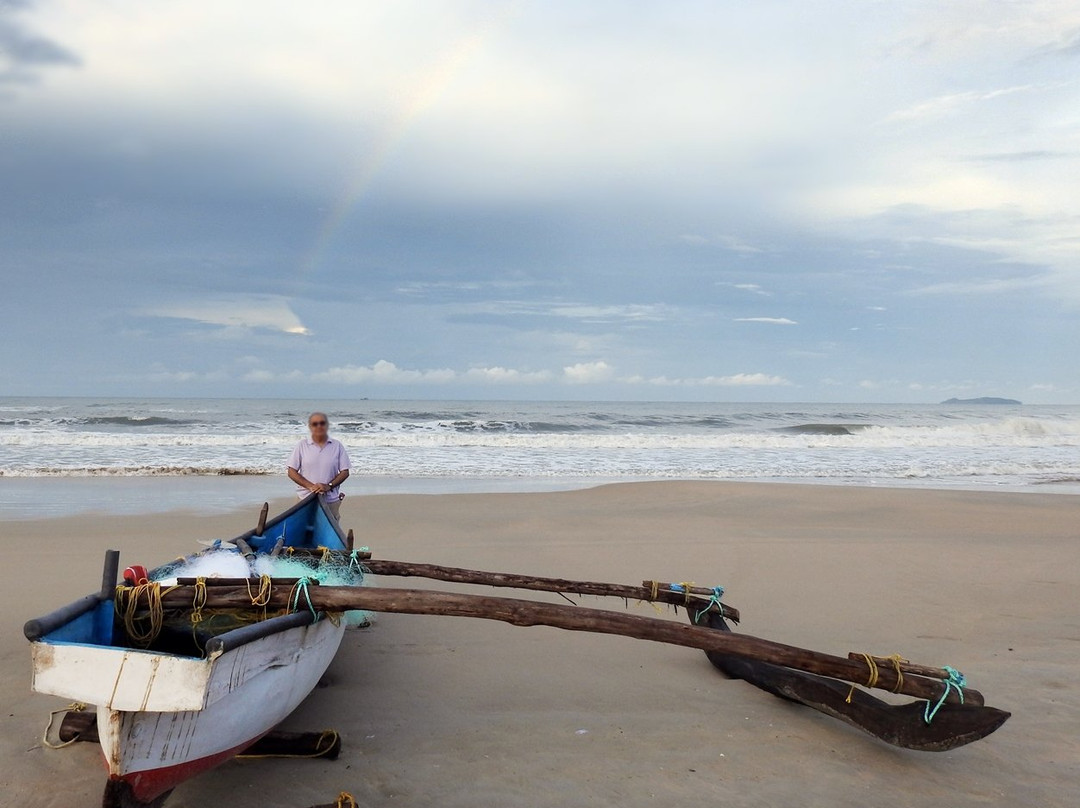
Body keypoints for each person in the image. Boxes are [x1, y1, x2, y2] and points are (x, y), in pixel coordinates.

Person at [287, 412, 351, 520]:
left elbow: (345, 471)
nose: (319, 426)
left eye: (322, 423)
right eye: (315, 424)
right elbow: (291, 471)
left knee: (329, 533)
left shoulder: (337, 446)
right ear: (310, 426)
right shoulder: (302, 445)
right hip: (305, 500)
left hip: (330, 501)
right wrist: (311, 486)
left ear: (327, 425)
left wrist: (328, 486)